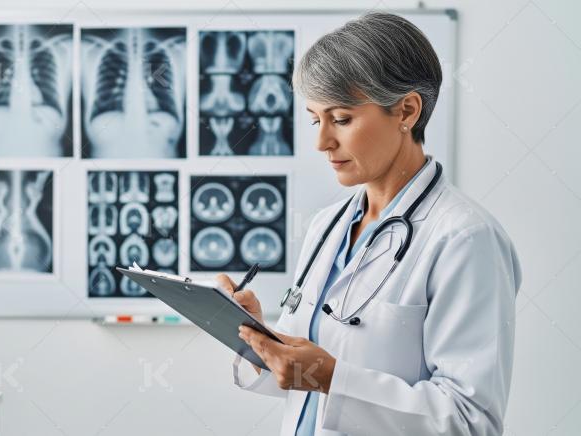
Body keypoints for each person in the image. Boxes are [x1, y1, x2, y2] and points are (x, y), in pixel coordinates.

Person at [217, 12, 521, 436]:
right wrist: (259, 334)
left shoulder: (465, 239)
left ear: (407, 111)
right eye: (314, 120)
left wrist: (330, 376)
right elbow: (301, 375)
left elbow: (470, 421)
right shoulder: (328, 225)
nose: (322, 142)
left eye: (341, 119)